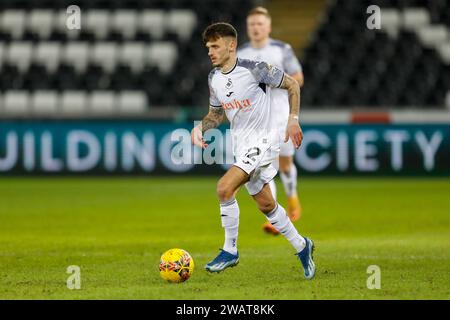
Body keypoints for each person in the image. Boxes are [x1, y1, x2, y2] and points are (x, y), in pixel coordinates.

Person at [191, 22, 315, 279]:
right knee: (266, 204)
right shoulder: (214, 78)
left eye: (215, 46)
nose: (210, 52)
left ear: (231, 45)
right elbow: (216, 114)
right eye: (208, 48)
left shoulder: (255, 69)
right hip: (243, 146)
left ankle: (230, 250)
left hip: (265, 142)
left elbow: (292, 84)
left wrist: (293, 119)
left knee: (224, 188)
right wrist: (200, 128)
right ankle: (303, 246)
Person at [238, 7, 304, 235]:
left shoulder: (281, 49)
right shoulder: (241, 53)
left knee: (285, 165)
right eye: (252, 25)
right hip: (255, 121)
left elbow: (298, 78)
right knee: (261, 168)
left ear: (268, 27)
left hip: (281, 116)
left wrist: (273, 79)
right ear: (248, 28)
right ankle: (276, 217)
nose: (256, 28)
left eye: (260, 24)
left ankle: (293, 196)